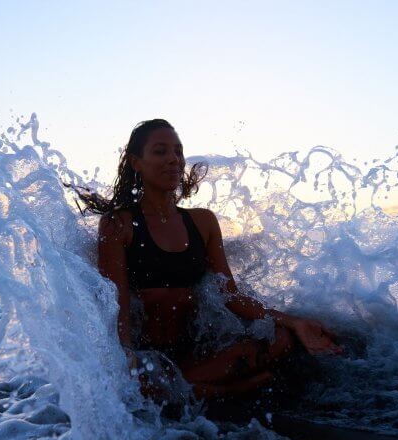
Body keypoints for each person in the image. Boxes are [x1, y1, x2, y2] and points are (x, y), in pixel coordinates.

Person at [75, 119, 341, 401]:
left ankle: (196, 391)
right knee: (145, 386)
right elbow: (115, 302)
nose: (173, 160)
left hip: (198, 353)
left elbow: (229, 295)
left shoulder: (203, 222)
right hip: (153, 359)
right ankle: (224, 390)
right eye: (160, 151)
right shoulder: (119, 224)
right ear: (136, 162)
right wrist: (124, 356)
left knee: (282, 339)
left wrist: (294, 321)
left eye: (178, 152)